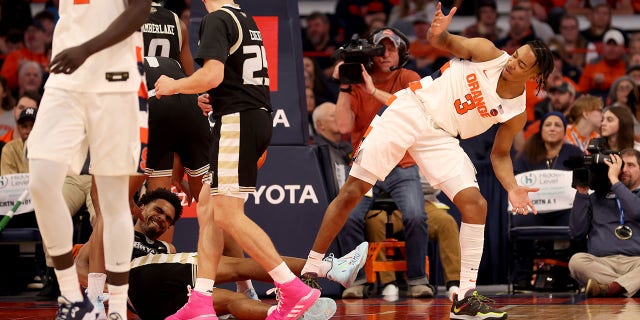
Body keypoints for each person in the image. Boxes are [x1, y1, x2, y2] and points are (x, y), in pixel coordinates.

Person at [300, 3, 554, 319]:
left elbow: (500, 155)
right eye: (516, 55)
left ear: (535, 75)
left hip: (442, 137)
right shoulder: (489, 53)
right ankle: (311, 270)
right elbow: (444, 43)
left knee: (476, 204)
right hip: (411, 110)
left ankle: (465, 297)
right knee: (354, 189)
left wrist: (513, 187)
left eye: (522, 64)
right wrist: (438, 31)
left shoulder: (516, 111)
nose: (513, 63)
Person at [153, 1, 340, 319]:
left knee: (226, 213)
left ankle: (294, 288)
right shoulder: (243, 18)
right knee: (207, 207)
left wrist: (174, 86)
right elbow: (232, 76)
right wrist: (216, 95)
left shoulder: (217, 19)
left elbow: (212, 74)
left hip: (239, 121)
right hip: (247, 116)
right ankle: (200, 301)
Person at [25, 0, 152, 319]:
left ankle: (118, 308)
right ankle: (71, 295)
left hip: (115, 82)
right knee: (40, 181)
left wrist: (86, 49)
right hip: (64, 80)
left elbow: (139, 11)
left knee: (112, 200)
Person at [75, 188, 347, 320]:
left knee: (228, 302)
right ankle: (326, 268)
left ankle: (291, 316)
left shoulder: (166, 250)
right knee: (240, 265)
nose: (161, 220)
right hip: (136, 284)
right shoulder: (116, 230)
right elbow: (80, 267)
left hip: (152, 307)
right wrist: (107, 291)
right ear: (141, 207)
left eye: (167, 220)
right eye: (157, 211)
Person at [326, 26, 433, 299]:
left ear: (401, 53)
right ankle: (358, 280)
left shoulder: (408, 76)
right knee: (347, 217)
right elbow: (342, 125)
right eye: (380, 49)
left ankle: (417, 278)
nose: (386, 54)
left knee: (415, 215)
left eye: (392, 49)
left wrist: (372, 90)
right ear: (371, 54)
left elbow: (412, 111)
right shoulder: (358, 81)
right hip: (365, 165)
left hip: (402, 165)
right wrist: (346, 84)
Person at [365, 172, 462, 300]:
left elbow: (434, 185)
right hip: (389, 205)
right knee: (374, 222)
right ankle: (388, 282)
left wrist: (406, 185)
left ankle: (453, 283)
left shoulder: (426, 154)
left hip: (425, 202)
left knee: (447, 223)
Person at [568, 148, 640, 298]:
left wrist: (614, 180)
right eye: (620, 165)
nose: (623, 169)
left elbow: (636, 211)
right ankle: (626, 287)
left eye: (631, 165)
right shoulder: (595, 198)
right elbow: (576, 233)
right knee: (576, 261)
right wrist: (582, 194)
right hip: (602, 263)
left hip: (637, 263)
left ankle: (609, 288)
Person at [142, 1, 195, 75]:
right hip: (168, 84)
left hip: (139, 83)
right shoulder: (179, 24)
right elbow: (190, 74)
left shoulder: (129, 22)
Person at [311, 102, 353, 193]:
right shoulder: (316, 152)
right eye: (334, 116)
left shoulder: (348, 147)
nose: (340, 119)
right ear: (320, 124)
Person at [1, 106, 36, 174]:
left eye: (32, 126)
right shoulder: (9, 149)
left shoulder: (48, 149)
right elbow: (9, 182)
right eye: (24, 126)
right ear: (18, 128)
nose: (28, 131)